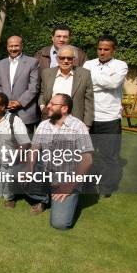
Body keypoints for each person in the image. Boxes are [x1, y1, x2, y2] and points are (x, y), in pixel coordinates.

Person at [30, 94, 95, 230]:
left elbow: (87, 160)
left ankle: (71, 197)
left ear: (64, 108)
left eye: (52, 104)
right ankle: (45, 198)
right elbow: (34, 149)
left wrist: (69, 186)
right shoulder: (43, 125)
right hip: (47, 172)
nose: (48, 106)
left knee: (59, 224)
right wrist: (29, 170)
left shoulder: (78, 127)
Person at [0, 93, 48, 211]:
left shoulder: (14, 120)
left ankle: (34, 198)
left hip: (12, 161)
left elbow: (25, 143)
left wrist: (14, 157)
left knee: (18, 179)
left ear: (2, 107)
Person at [83, 35, 128, 197]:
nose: (102, 52)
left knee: (110, 156)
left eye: (106, 49)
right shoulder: (88, 64)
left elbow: (114, 84)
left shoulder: (121, 65)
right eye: (100, 49)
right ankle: (87, 183)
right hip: (89, 117)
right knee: (88, 154)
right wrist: (102, 82)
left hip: (110, 118)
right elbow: (84, 84)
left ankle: (106, 187)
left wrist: (92, 79)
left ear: (113, 50)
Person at [0, 36, 40, 135]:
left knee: (25, 145)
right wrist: (4, 102)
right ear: (7, 47)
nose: (13, 49)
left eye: (16, 46)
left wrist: (19, 102)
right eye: (11, 46)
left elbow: (34, 86)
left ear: (22, 46)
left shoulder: (32, 62)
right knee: (6, 145)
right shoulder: (0, 64)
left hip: (25, 111)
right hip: (5, 111)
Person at [39, 46, 94, 128]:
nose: (66, 61)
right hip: (51, 120)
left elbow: (89, 101)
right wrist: (42, 107)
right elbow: (42, 93)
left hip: (75, 122)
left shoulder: (84, 74)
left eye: (69, 58)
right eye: (62, 58)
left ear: (73, 59)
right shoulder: (47, 73)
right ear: (57, 58)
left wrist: (87, 125)